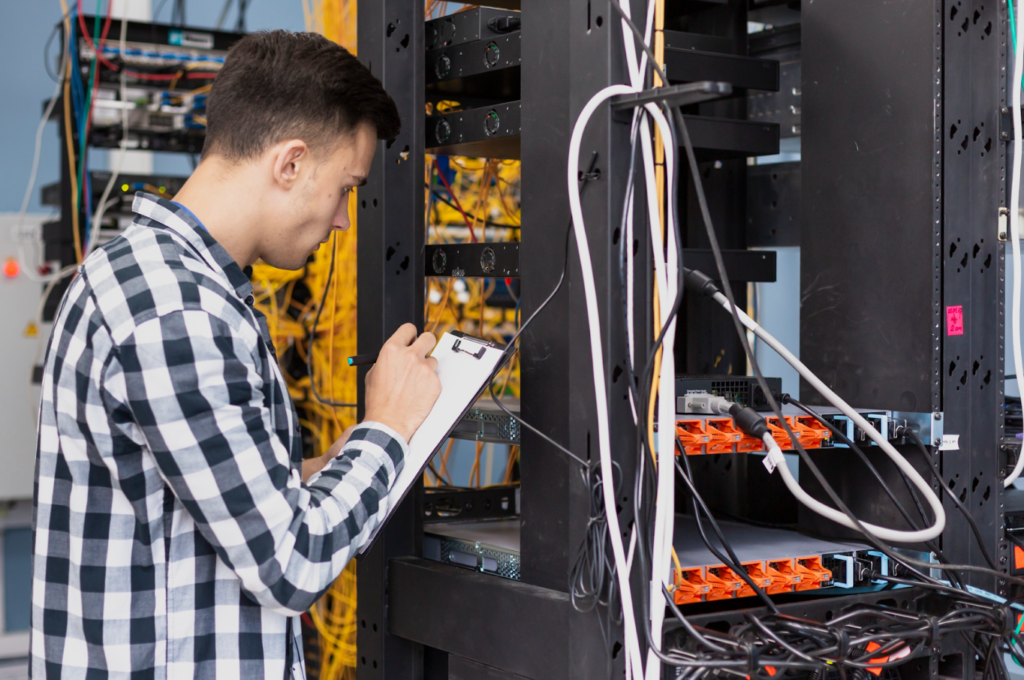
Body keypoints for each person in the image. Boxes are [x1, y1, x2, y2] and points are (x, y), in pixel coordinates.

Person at [31, 30, 440, 679]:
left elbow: (208, 500)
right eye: (345, 187)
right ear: (291, 163)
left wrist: (336, 460)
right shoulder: (176, 311)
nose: (342, 219)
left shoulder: (158, 281)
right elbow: (291, 563)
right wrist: (388, 429)